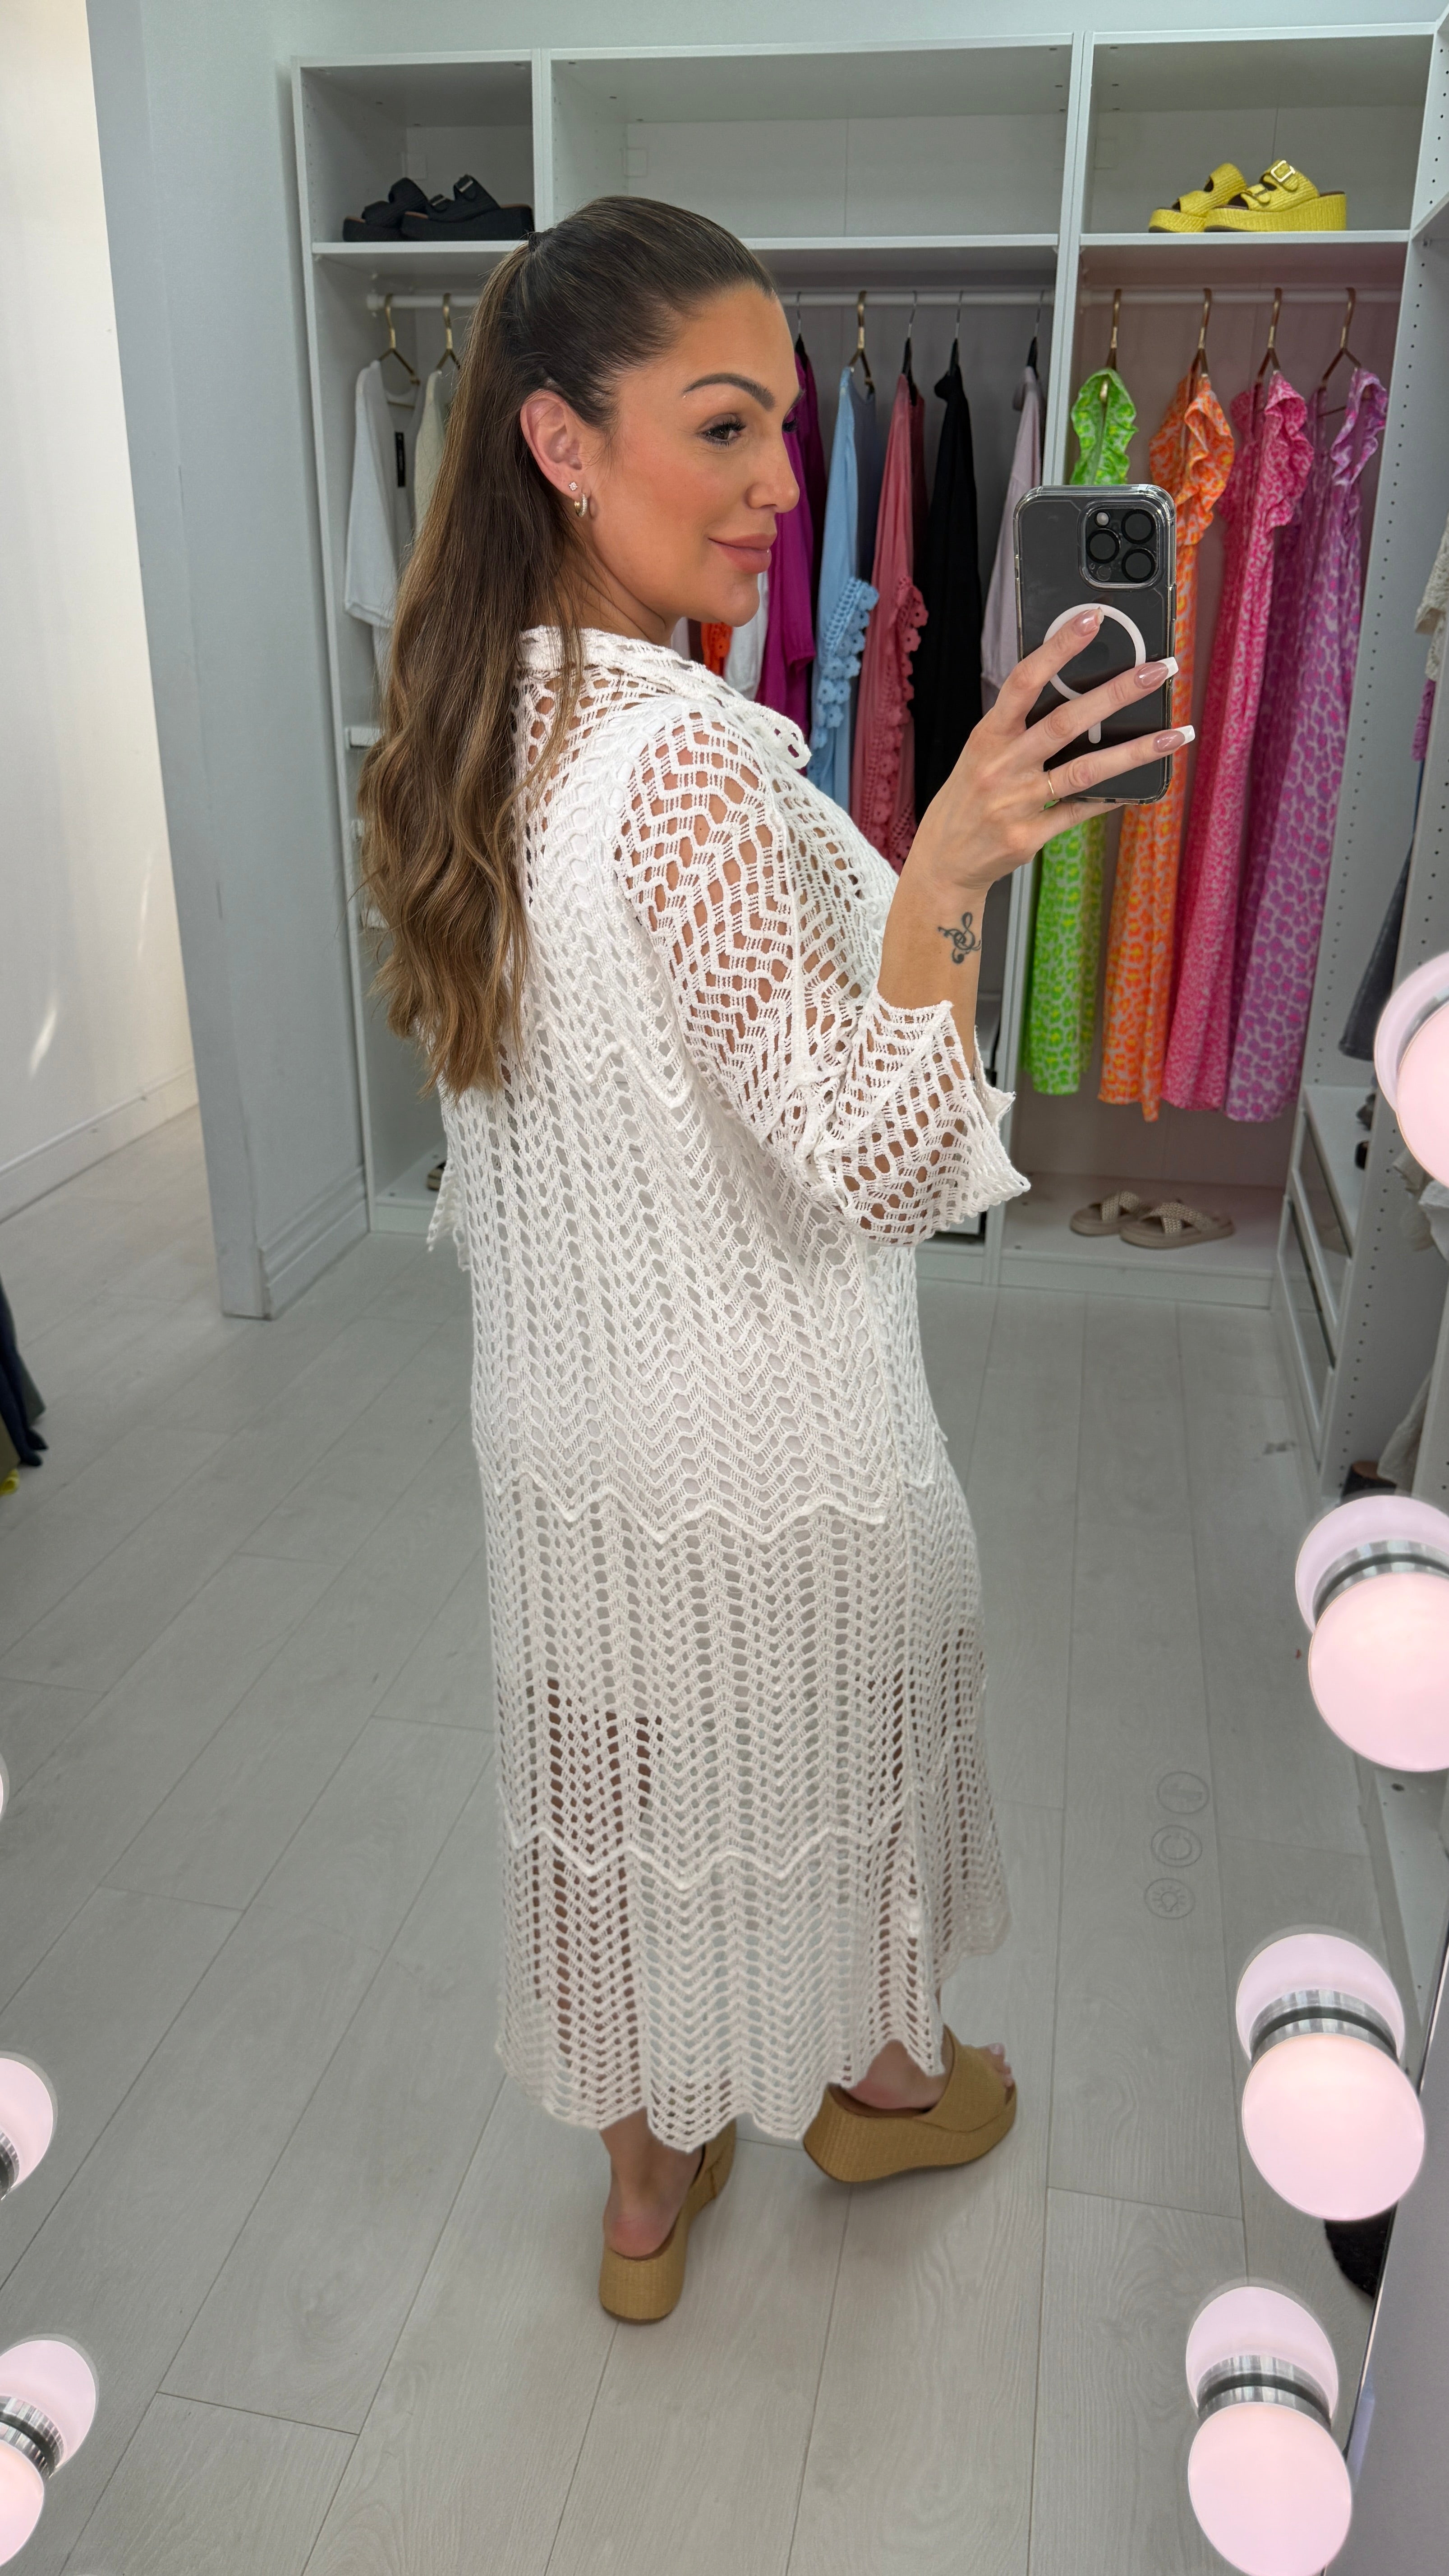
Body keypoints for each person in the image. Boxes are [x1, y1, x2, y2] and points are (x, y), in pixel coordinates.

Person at [360, 198, 1187, 2323]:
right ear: (563, 443)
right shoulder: (689, 772)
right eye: (722, 427)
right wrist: (951, 872)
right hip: (765, 1427)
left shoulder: (469, 724)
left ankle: (646, 2199)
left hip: (561, 1418)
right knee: (846, 1742)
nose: (781, 487)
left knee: (616, 1777)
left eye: (787, 430)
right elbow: (880, 1158)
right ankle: (878, 2083)